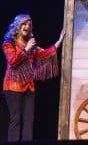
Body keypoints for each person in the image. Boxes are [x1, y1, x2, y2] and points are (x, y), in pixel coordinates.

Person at [2, 13, 65, 141]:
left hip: (28, 86)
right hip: (12, 86)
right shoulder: (9, 44)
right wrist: (27, 48)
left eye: (29, 24)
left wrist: (60, 40)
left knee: (29, 120)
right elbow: (13, 61)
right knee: (16, 119)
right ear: (18, 26)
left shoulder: (31, 45)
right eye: (24, 24)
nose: (27, 26)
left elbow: (45, 55)